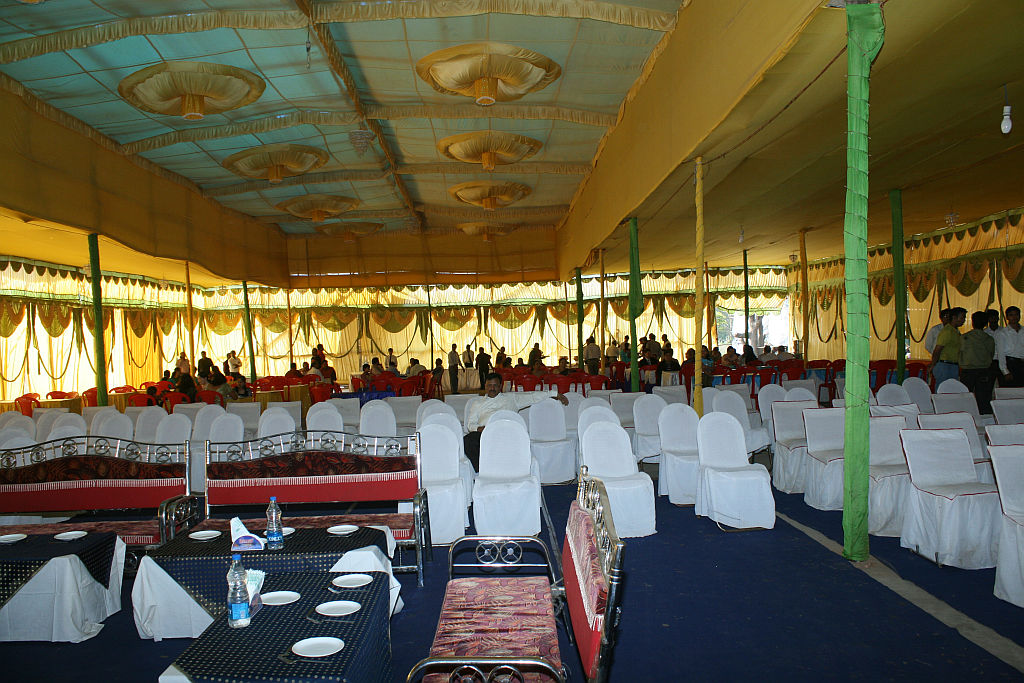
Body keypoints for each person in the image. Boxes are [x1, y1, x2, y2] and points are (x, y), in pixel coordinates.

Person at [463, 372, 568, 470]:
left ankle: (512, 469)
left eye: (495, 385)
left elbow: (532, 396)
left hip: (507, 433)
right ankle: (483, 470)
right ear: (485, 386)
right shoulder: (477, 403)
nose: (492, 388)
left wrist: (554, 394)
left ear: (500, 386)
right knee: (468, 440)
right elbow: (470, 424)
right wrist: (480, 429)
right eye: (489, 385)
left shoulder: (511, 398)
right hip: (486, 433)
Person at [959, 311, 996, 413]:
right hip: (984, 370)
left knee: (965, 397)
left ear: (972, 322)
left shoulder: (964, 337)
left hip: (968, 371)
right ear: (986, 323)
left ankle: (965, 416)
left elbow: (960, 353)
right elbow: (991, 354)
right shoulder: (989, 339)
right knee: (984, 398)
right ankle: (985, 418)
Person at [929, 307, 966, 387]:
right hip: (944, 365)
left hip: (953, 365)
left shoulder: (956, 332)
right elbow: (937, 350)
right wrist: (933, 365)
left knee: (951, 390)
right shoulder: (947, 331)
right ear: (954, 318)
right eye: (962, 318)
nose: (964, 320)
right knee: (942, 389)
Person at [996, 305, 1024, 387]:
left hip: (1022, 365)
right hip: (1010, 365)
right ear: (1007, 317)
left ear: (1020, 316)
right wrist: (1005, 371)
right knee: (1010, 391)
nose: (1014, 317)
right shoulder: (1002, 333)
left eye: (1016, 314)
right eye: (1011, 315)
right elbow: (1000, 354)